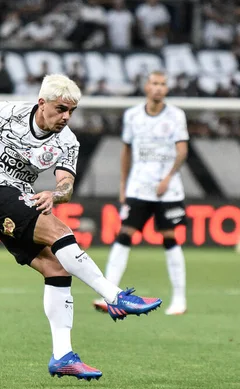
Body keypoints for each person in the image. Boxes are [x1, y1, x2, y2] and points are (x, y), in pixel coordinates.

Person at [0, 74, 163, 381]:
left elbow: (66, 186)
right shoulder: (9, 112)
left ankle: (62, 356)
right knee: (58, 231)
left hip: (18, 199)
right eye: (60, 109)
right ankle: (115, 296)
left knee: (56, 267)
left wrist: (54, 194)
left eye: (71, 111)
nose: (66, 117)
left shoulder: (68, 141)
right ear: (42, 103)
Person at [93, 71, 189, 316]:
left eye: (163, 84)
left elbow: (182, 150)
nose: (158, 88)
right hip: (139, 186)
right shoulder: (133, 115)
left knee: (169, 236)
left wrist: (168, 177)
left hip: (168, 190)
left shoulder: (176, 116)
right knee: (125, 233)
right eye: (155, 83)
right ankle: (109, 295)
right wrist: (123, 184)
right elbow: (126, 151)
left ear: (167, 89)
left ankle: (179, 298)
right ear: (146, 87)